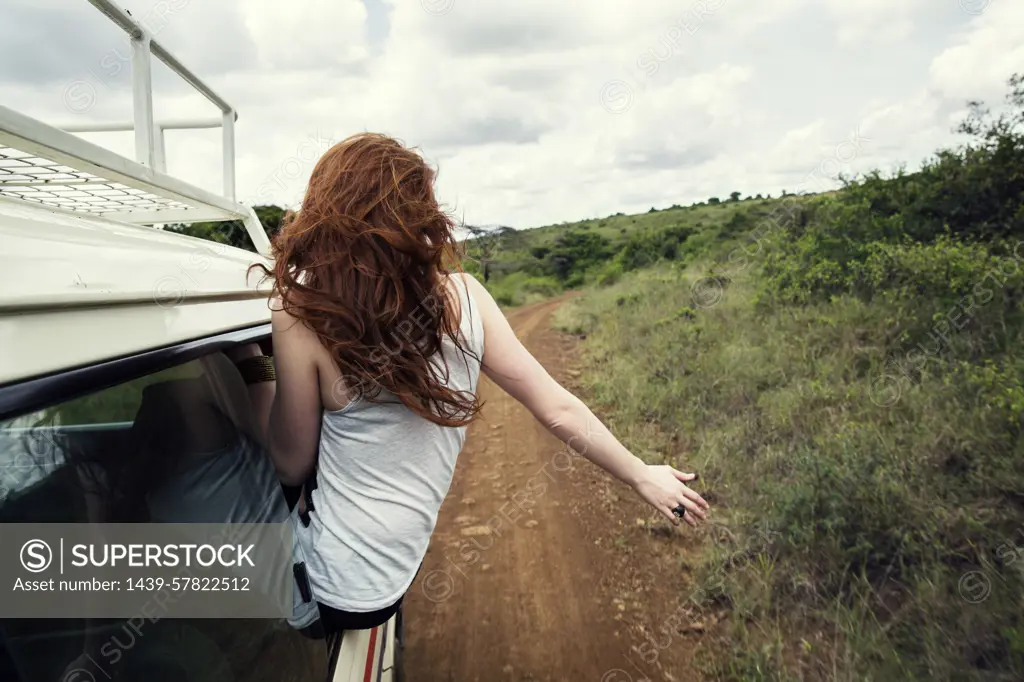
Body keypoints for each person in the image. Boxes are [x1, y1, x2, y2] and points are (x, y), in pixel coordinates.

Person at [235, 132, 710, 633]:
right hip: (394, 573)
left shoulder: (300, 317)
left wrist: (248, 365)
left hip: (327, 589)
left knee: (171, 508)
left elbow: (288, 464)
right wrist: (640, 473)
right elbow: (557, 408)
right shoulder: (465, 296)